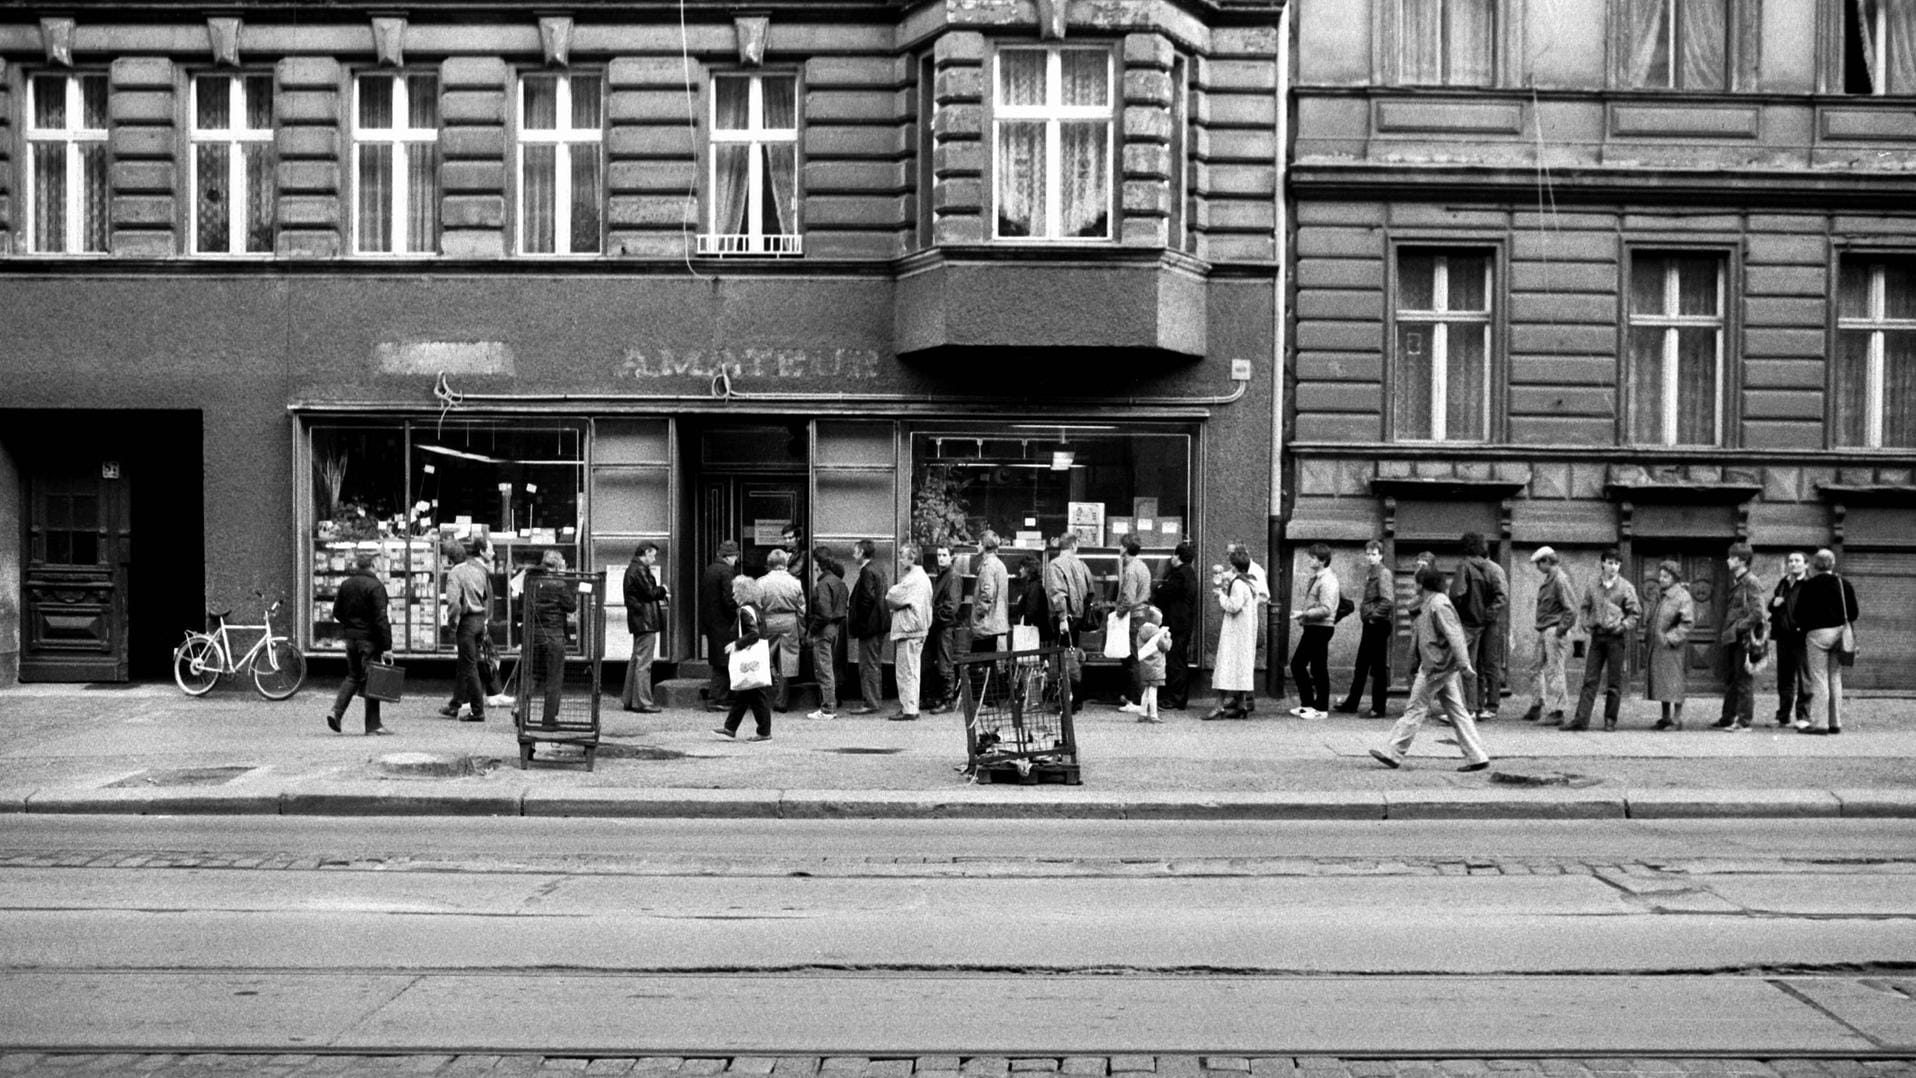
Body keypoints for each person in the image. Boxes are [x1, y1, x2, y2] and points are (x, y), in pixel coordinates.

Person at [1368, 564, 1490, 772]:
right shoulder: (1430, 602)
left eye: (1416, 580)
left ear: (1423, 584)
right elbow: (1416, 615)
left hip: (1436, 667)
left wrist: (1464, 664)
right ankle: (1477, 756)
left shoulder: (1439, 604)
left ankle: (1393, 752)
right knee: (1457, 711)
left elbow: (1455, 635)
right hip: (1439, 666)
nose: (1413, 584)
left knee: (1415, 708)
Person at [1567, 549, 1640, 732]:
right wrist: (1585, 623)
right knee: (1590, 679)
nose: (1613, 567)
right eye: (1609, 562)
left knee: (1614, 682)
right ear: (1603, 563)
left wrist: (1622, 626)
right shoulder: (1593, 585)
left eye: (1616, 563)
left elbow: (1635, 613)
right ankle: (1581, 720)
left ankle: (1610, 720)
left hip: (1616, 638)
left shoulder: (1626, 587)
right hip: (1597, 637)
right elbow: (1584, 607)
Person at [326, 550, 394, 736]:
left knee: (353, 676)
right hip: (369, 640)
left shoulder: (346, 584)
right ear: (372, 565)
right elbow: (381, 618)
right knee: (373, 679)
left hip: (351, 638)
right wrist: (387, 645)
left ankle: (336, 712)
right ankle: (373, 725)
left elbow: (337, 611)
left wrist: (351, 625)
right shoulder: (375, 586)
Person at [1795, 548, 1859, 736]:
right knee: (1835, 676)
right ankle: (1835, 722)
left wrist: (1806, 627)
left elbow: (1799, 614)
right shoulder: (1843, 584)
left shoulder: (1809, 585)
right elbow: (1854, 613)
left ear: (1815, 565)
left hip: (1817, 635)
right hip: (1839, 634)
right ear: (1832, 564)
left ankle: (1820, 723)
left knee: (1819, 677)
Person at [1449, 532, 1509, 720]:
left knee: (1479, 664)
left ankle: (1480, 705)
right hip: (1487, 621)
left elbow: (1458, 593)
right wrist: (1487, 615)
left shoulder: (1470, 567)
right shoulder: (1492, 568)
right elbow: (1501, 596)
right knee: (1487, 664)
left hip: (1477, 622)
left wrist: (1482, 615)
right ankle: (1485, 705)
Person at [1711, 542, 1767, 732]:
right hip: (1733, 638)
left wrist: (1737, 628)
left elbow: (1758, 612)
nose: (1728, 560)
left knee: (1743, 680)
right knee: (1732, 678)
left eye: (1732, 557)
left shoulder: (1750, 581)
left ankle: (1743, 721)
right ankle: (1728, 718)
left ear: (1742, 560)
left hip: (1742, 639)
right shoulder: (1739, 581)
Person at [1335, 540, 1393, 717]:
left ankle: (1378, 708)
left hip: (1378, 625)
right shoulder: (1372, 572)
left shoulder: (1383, 573)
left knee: (1377, 668)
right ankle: (1352, 703)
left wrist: (1372, 616)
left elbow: (1388, 601)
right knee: (1361, 665)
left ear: (1381, 555)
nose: (1370, 557)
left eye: (1374, 554)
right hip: (1372, 624)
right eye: (1368, 554)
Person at [1521, 546, 1576, 726]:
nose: (1537, 567)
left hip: (1553, 629)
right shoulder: (1552, 579)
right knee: (1534, 667)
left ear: (1546, 561)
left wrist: (1560, 630)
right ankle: (1538, 703)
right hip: (1546, 629)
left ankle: (1558, 710)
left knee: (1554, 670)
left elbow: (1571, 609)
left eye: (1539, 563)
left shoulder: (1559, 580)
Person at [440, 537, 493, 723]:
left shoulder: (455, 573)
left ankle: (478, 710)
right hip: (479, 619)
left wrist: (452, 623)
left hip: (467, 622)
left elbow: (453, 601)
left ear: (449, 558)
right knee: (465, 663)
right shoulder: (478, 570)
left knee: (470, 666)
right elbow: (486, 596)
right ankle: (455, 704)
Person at [1045, 531, 1097, 710]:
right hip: (1077, 618)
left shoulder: (1055, 565)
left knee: (1063, 656)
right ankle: (1077, 698)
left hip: (1063, 619)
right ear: (1074, 545)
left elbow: (1057, 594)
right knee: (1072, 654)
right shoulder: (1082, 565)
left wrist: (1061, 618)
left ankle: (1067, 701)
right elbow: (1091, 592)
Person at [1287, 542, 1338, 720]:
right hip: (1316, 627)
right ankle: (1309, 705)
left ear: (1322, 560)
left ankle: (1319, 707)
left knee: (1300, 665)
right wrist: (1305, 616)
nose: (1310, 560)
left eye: (1314, 557)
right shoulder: (1319, 578)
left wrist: (1305, 613)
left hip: (1320, 627)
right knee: (1317, 667)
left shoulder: (1327, 580)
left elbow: (1326, 609)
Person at [528, 549, 578, 729]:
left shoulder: (530, 580)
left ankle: (521, 710)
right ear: (557, 565)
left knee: (532, 675)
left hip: (533, 635)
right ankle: (548, 719)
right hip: (554, 636)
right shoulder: (559, 584)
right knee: (553, 678)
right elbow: (571, 606)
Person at [1207, 548, 1258, 720]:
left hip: (1235, 632)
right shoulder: (1250, 582)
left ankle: (1219, 706)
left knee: (1226, 666)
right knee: (1241, 666)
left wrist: (1220, 595)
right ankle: (1242, 704)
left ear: (1234, 566)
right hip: (1245, 632)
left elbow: (1233, 606)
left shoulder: (1237, 583)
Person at [1645, 560, 1695, 731]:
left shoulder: (1682, 596)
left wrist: (1671, 638)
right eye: (1660, 575)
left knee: (1675, 682)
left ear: (1674, 577)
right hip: (1658, 645)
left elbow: (1687, 623)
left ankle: (1677, 719)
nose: (1661, 579)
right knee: (1662, 682)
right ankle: (1665, 717)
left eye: (1666, 576)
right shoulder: (1659, 594)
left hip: (1673, 648)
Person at [885, 543, 933, 721]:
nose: (900, 559)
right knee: (913, 669)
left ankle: (909, 708)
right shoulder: (923, 578)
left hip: (909, 628)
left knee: (905, 670)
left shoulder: (912, 579)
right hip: (918, 628)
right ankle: (911, 705)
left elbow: (892, 596)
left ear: (912, 558)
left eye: (903, 556)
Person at [712, 601, 772, 742]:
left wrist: (737, 644)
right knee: (745, 694)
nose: (733, 596)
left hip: (748, 659)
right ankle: (730, 728)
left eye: (735, 592)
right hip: (755, 657)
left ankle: (763, 732)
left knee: (755, 694)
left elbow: (753, 633)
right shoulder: (755, 609)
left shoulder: (744, 611)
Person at [756, 548, 806, 713]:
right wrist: (802, 629)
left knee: (765, 658)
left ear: (769, 564)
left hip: (768, 621)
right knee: (787, 661)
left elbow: (756, 606)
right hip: (789, 621)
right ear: (785, 564)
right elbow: (801, 610)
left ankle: (764, 697)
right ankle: (781, 701)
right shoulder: (795, 583)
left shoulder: (761, 582)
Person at [1150, 541, 1198, 711]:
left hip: (1176, 623)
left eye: (1174, 554)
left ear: (1178, 557)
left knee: (1175, 661)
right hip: (1183, 622)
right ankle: (1179, 697)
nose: (1172, 557)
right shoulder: (1189, 572)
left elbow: (1165, 592)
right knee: (1179, 659)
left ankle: (1175, 698)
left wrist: (1158, 588)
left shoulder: (1179, 574)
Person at [846, 539, 892, 715]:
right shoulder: (878, 569)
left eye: (855, 551)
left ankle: (871, 702)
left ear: (862, 552)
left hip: (870, 626)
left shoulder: (866, 571)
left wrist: (859, 623)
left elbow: (866, 599)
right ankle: (874, 699)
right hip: (878, 624)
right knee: (874, 663)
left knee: (867, 665)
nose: (853, 554)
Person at [621, 542, 666, 714]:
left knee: (636, 660)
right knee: (644, 663)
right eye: (652, 555)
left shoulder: (632, 568)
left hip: (638, 619)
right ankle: (643, 701)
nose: (653, 559)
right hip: (645, 620)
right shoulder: (639, 569)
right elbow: (650, 593)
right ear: (646, 553)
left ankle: (629, 699)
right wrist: (663, 590)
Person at [1769, 551, 1812, 729]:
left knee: (1804, 678)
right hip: (1783, 636)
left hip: (1801, 637)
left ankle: (1803, 716)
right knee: (1784, 679)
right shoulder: (1783, 583)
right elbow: (1773, 605)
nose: (1793, 564)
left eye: (1797, 561)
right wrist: (1773, 604)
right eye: (1791, 561)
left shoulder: (1809, 584)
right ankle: (1783, 716)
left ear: (1806, 565)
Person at [806, 546, 849, 720]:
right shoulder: (840, 582)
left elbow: (823, 613)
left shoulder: (823, 584)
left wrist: (811, 630)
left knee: (823, 669)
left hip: (824, 629)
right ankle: (830, 704)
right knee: (831, 667)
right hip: (836, 628)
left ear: (818, 563)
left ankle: (828, 707)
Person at [699, 540, 742, 712]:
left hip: (712, 621)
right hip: (724, 623)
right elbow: (729, 600)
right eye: (736, 556)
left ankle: (718, 696)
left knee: (719, 659)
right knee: (724, 661)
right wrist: (738, 615)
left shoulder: (710, 569)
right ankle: (717, 698)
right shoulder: (726, 572)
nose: (736, 560)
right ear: (730, 556)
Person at [1114, 534, 1153, 713]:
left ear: (1124, 548)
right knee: (1139, 657)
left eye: (1120, 545)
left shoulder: (1130, 570)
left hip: (1133, 616)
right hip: (1143, 614)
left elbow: (1128, 599)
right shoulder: (1142, 566)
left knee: (1132, 660)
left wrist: (1118, 613)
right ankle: (1137, 697)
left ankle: (1136, 701)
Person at [926, 544, 965, 714]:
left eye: (944, 555)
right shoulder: (944, 575)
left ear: (952, 557)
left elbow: (952, 607)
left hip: (944, 626)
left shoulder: (952, 577)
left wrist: (934, 616)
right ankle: (940, 698)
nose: (940, 558)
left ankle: (947, 700)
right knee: (939, 662)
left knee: (945, 663)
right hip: (939, 625)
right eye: (939, 555)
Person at [969, 530, 1009, 654]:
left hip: (986, 626)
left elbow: (987, 595)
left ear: (982, 544)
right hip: (996, 624)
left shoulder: (988, 567)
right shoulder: (1000, 565)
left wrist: (978, 614)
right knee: (992, 666)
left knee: (978, 666)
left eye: (978, 543)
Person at [1134, 605, 1171, 724]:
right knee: (1153, 690)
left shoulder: (1141, 631)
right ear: (1156, 620)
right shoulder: (1157, 632)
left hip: (1145, 665)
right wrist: (1168, 638)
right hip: (1156, 666)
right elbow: (1165, 647)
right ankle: (1153, 714)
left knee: (1146, 689)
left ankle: (1143, 713)